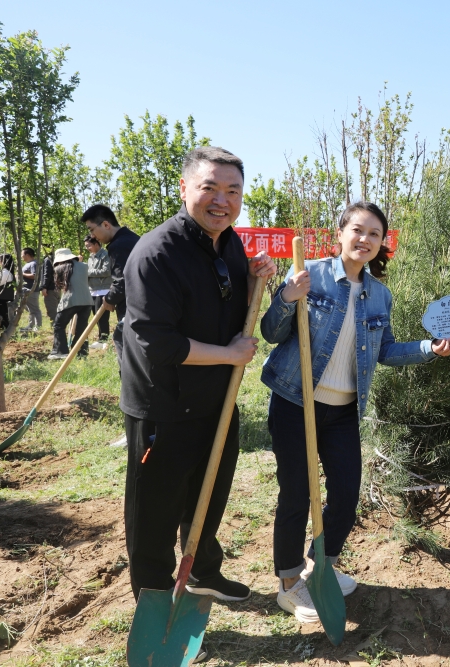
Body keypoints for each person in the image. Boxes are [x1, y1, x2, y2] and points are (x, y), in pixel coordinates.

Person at [259, 201, 450, 623]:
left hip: (343, 411)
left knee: (346, 493)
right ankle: (289, 584)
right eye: (357, 229)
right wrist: (286, 297)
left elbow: (385, 350)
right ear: (340, 233)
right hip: (295, 402)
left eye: (374, 234)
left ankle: (322, 566)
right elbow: (271, 332)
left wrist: (430, 348)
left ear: (382, 243)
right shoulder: (310, 273)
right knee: (296, 493)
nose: (364, 239)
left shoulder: (380, 295)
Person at [119, 147, 277, 639]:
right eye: (209, 187)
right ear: (185, 188)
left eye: (232, 190)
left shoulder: (228, 244)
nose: (221, 200)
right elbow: (159, 343)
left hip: (216, 400)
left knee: (208, 496)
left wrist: (254, 283)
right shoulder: (156, 254)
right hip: (163, 407)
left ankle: (203, 573)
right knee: (154, 518)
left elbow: (230, 315)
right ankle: (155, 610)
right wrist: (229, 355)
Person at [82, 204, 140, 361]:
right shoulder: (132, 238)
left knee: (124, 347)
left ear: (106, 225)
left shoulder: (118, 246)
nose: (93, 236)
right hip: (143, 307)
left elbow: (122, 281)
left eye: (92, 230)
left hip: (133, 310)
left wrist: (109, 299)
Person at [48, 248, 92, 360]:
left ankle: (61, 351)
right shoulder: (84, 266)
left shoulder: (59, 268)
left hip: (70, 300)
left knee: (59, 325)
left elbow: (61, 286)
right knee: (82, 329)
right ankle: (81, 353)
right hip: (86, 300)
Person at [85, 235, 112, 347]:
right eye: (86, 246)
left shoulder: (105, 255)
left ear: (96, 244)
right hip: (93, 290)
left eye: (89, 246)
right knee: (96, 316)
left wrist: (88, 272)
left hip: (103, 290)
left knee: (102, 317)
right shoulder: (91, 257)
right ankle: (101, 338)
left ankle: (104, 339)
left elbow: (106, 271)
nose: (87, 248)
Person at [20, 248, 43, 332]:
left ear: (27, 255)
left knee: (35, 309)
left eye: (22, 254)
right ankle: (31, 325)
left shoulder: (34, 264)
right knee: (31, 309)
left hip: (31, 290)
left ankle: (38, 327)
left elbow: (34, 276)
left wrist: (22, 274)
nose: (21, 256)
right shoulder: (29, 264)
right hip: (26, 290)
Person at [0, 254, 16, 333]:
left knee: (3, 316)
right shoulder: (7, 272)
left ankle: (5, 332)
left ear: (2, 261)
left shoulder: (5, 273)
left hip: (3, 298)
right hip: (5, 297)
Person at [40, 249, 59, 325]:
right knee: (56, 308)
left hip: (50, 289)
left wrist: (44, 287)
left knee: (52, 310)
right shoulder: (57, 258)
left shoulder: (48, 259)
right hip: (57, 287)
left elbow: (47, 274)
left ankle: (55, 326)